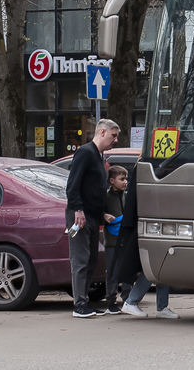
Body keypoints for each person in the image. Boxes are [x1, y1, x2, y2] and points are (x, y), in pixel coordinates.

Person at [65, 117, 119, 318]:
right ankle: (79, 305)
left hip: (92, 217)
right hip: (79, 216)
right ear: (102, 132)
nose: (115, 140)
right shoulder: (85, 153)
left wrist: (101, 213)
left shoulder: (98, 156)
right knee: (80, 260)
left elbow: (94, 190)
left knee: (91, 260)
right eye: (113, 136)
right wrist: (78, 209)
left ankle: (84, 301)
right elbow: (73, 185)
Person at [113, 164, 178, 319]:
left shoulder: (150, 163)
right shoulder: (150, 165)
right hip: (151, 222)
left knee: (163, 264)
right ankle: (132, 301)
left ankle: (161, 306)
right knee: (157, 266)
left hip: (155, 221)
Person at [102, 165, 128, 314]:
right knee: (112, 271)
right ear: (112, 181)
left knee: (126, 270)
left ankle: (127, 299)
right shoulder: (106, 197)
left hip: (126, 240)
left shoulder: (126, 196)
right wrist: (104, 217)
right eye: (122, 179)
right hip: (112, 241)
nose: (125, 182)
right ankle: (111, 301)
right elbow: (100, 214)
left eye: (126, 179)